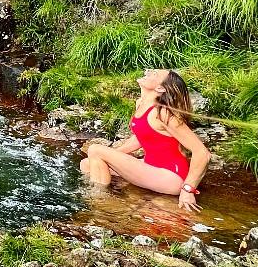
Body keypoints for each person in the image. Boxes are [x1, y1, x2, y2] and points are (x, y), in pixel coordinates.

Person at [79, 69, 211, 212]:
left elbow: (202, 153)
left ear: (160, 88)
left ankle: (101, 202)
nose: (149, 71)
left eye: (155, 74)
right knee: (87, 164)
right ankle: (118, 194)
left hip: (171, 176)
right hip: (152, 167)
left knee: (95, 150)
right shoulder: (141, 104)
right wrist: (112, 155)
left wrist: (188, 189)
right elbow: (141, 137)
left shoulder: (163, 113)